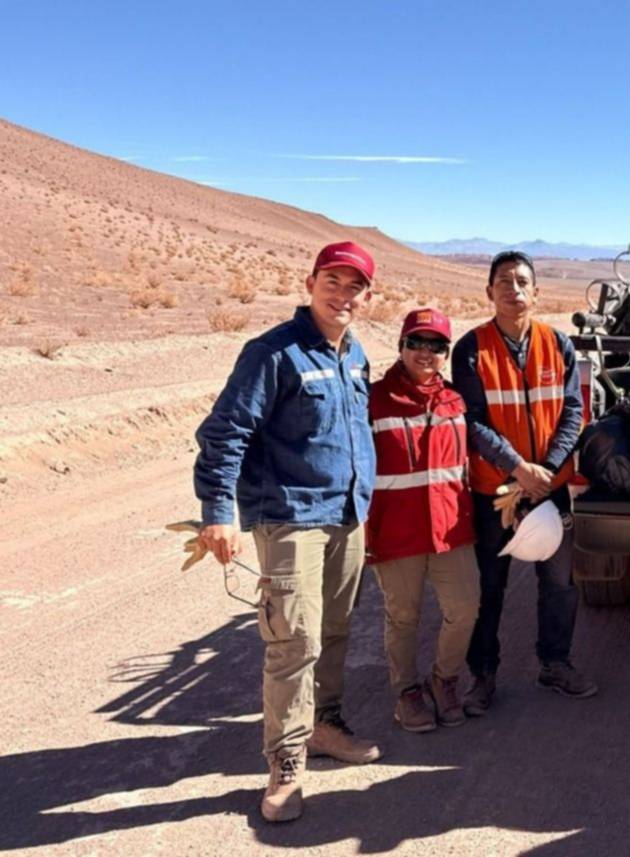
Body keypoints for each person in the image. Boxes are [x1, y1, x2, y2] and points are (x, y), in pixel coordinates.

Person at [193, 241, 381, 823]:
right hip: (290, 516)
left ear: (366, 297)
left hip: (346, 514)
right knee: (293, 640)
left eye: (355, 287)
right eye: (333, 281)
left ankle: (324, 724)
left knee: (335, 630)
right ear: (310, 283)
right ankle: (286, 761)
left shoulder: (355, 354)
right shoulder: (272, 353)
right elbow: (225, 433)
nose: (342, 295)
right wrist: (218, 511)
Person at [452, 250, 595, 711]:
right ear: (489, 291)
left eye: (521, 282)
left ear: (536, 292)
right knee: (488, 587)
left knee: (559, 583)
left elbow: (573, 412)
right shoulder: (471, 349)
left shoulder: (559, 344)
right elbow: (472, 421)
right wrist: (518, 469)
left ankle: (555, 663)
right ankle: (483, 675)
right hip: (495, 492)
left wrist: (545, 471)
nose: (513, 289)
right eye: (504, 282)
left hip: (549, 488)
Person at [367, 308, 514, 732]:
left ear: (446, 354)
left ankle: (443, 679)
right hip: (396, 532)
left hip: (450, 530)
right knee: (403, 617)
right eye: (416, 342)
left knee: (465, 608)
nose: (425, 352)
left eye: (436, 345)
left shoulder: (455, 402)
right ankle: (407, 693)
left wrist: (519, 477)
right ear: (401, 346)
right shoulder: (373, 400)